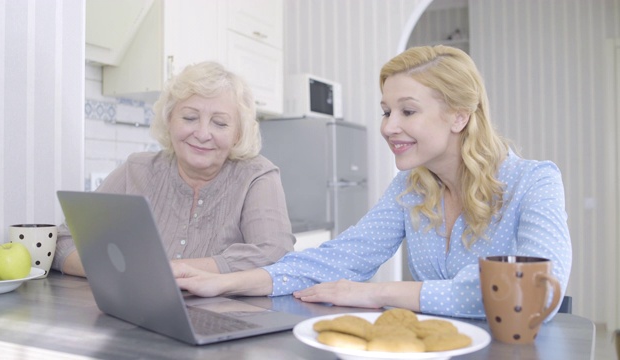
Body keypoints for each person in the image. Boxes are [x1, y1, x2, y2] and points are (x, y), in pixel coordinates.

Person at [171, 46, 572, 320]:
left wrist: (379, 293)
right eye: (386, 111)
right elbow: (336, 259)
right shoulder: (412, 190)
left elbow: (536, 292)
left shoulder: (534, 182)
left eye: (407, 111)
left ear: (459, 117)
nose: (388, 126)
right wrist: (226, 283)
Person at [52, 61, 295, 277]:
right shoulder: (137, 169)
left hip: (227, 318)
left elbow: (275, 254)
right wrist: (124, 272)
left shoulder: (256, 175)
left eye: (219, 123)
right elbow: (64, 241)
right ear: (169, 121)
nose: (202, 134)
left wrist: (169, 271)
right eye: (189, 118)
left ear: (237, 134)